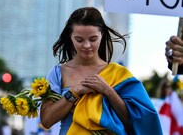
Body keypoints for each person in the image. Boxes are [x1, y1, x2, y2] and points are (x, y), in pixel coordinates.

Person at [40, 7, 162, 135]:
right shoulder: (57, 73)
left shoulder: (120, 74)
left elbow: (135, 121)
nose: (87, 45)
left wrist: (108, 91)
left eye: (93, 39)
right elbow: (47, 121)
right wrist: (75, 92)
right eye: (79, 40)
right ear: (70, 36)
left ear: (102, 35)